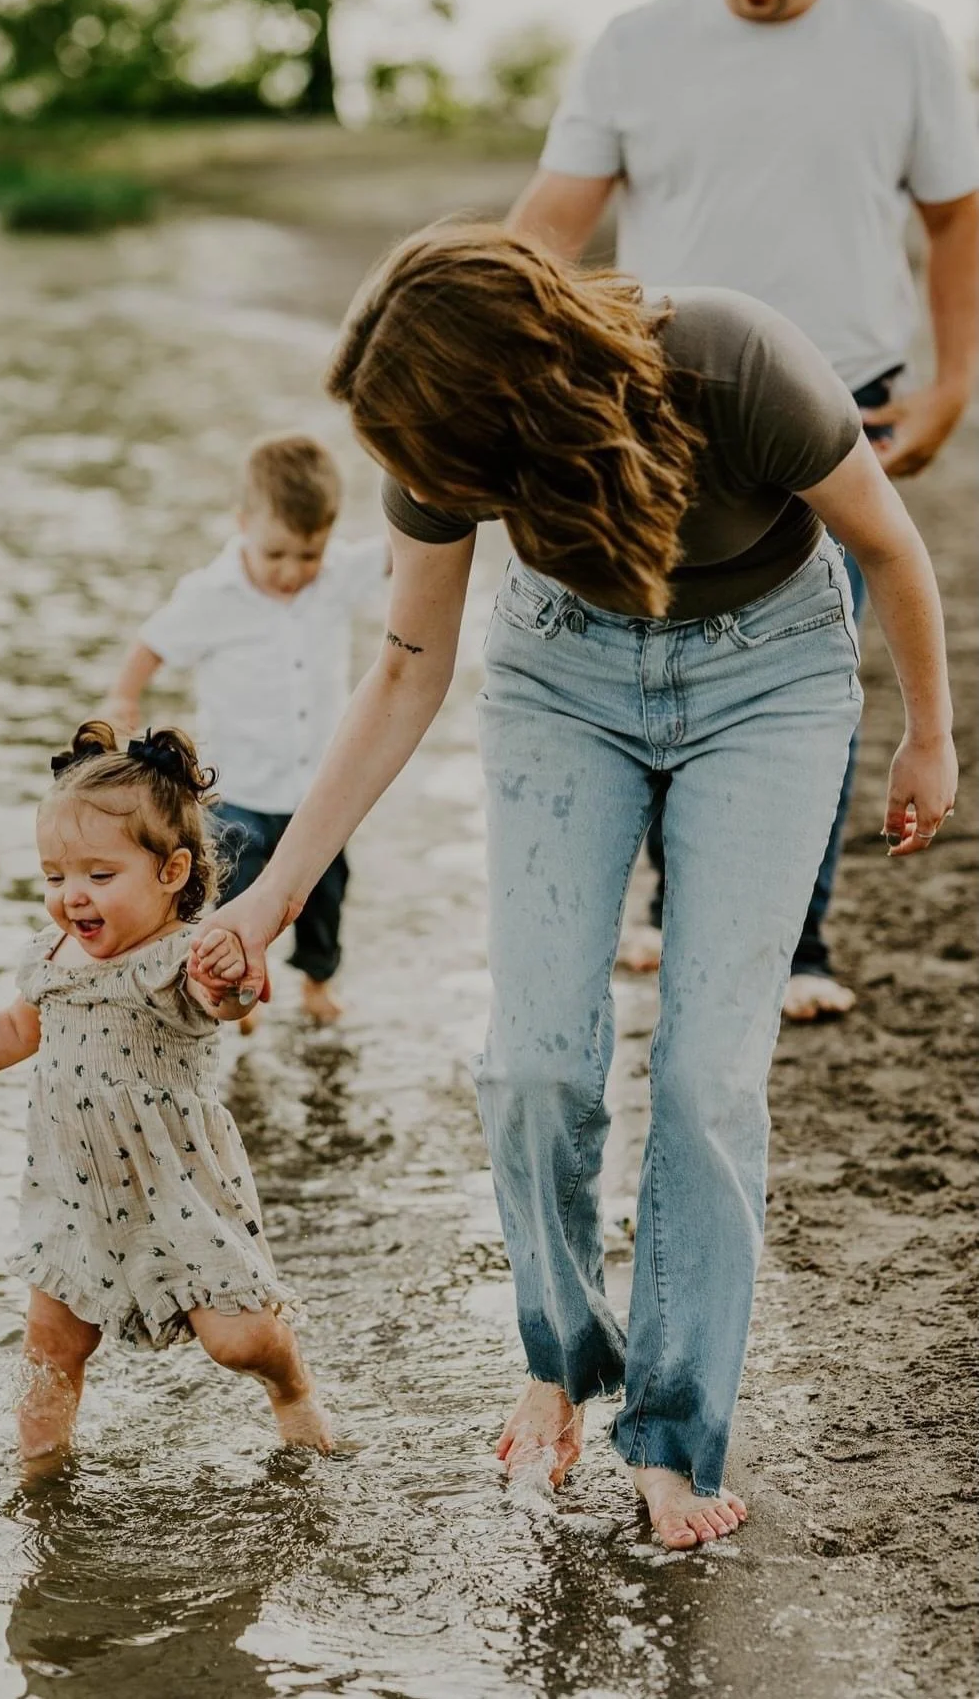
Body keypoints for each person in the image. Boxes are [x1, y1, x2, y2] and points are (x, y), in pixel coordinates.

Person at [189, 224, 956, 1550]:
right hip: (561, 678)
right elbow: (403, 671)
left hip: (767, 678)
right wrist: (268, 897)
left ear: (514, 401)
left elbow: (887, 546)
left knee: (705, 1079)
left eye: (435, 458)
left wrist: (927, 734)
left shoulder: (731, 361)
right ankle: (560, 1357)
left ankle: (670, 1436)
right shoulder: (432, 451)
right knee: (534, 1061)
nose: (419, 485)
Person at [506, 0, 979, 1020]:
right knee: (665, 638)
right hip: (664, 398)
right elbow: (545, 225)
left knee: (808, 662)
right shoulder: (634, 45)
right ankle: (674, 905)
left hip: (842, 400)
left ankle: (792, 945)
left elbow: (954, 214)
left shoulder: (904, 40)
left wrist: (953, 382)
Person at [0, 721, 332, 1470]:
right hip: (73, 1186)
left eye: (99, 876)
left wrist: (232, 980)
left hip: (175, 1183)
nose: (71, 896)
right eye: (55, 878)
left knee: (237, 1341)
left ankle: (290, 1385)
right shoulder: (55, 955)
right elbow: (19, 1027)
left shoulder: (181, 958)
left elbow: (225, 1001)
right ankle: (39, 1481)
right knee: (52, 1349)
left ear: (172, 872)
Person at [104, 433, 388, 1028]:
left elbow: (400, 550)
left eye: (308, 555)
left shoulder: (337, 575)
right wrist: (123, 696)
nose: (291, 571)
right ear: (243, 526)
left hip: (318, 791)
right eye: (276, 553)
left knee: (326, 893)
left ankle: (318, 981)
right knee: (233, 892)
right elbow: (152, 643)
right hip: (239, 789)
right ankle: (236, 988)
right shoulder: (213, 594)